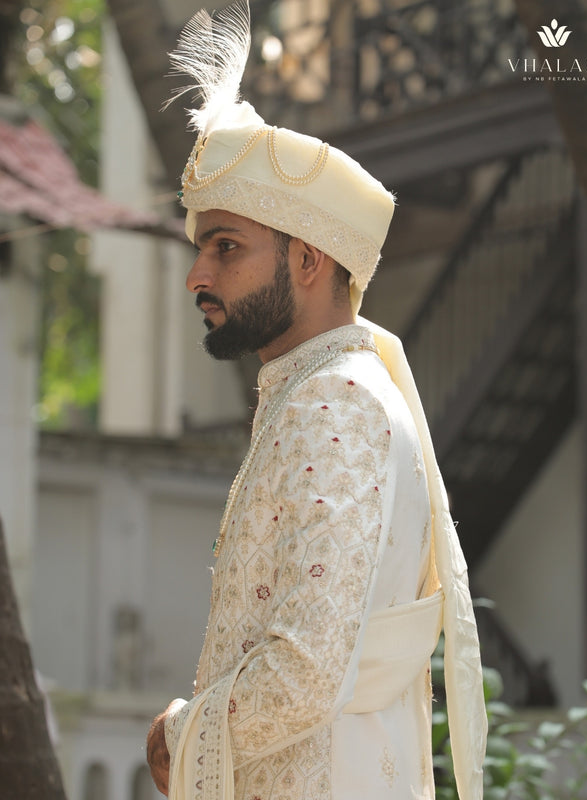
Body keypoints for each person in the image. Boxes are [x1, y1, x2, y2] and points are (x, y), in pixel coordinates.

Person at [147, 3, 487, 799]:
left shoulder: (333, 402)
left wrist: (179, 732)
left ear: (306, 259)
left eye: (225, 247)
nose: (198, 275)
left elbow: (304, 669)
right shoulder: (334, 389)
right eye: (201, 249)